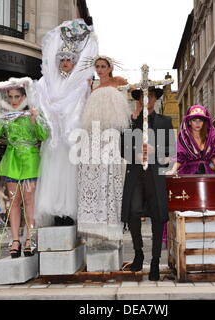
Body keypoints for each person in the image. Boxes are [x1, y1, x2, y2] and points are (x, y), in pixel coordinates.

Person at [34, 18, 98, 227]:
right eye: (62, 60)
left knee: (69, 176)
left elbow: (82, 108)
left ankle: (68, 213)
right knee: (53, 176)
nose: (65, 63)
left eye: (69, 60)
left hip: (71, 139)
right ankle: (54, 213)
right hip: (54, 140)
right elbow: (41, 102)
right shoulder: (47, 83)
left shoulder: (80, 85)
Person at [0, 77, 50, 258]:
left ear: (25, 96)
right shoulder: (6, 116)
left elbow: (44, 136)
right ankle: (15, 240)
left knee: (29, 202)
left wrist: (36, 119)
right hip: (12, 161)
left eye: (17, 97)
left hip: (30, 160)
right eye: (10, 97)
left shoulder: (33, 113)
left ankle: (30, 238)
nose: (14, 101)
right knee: (13, 203)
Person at [76, 55, 130, 257]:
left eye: (103, 66)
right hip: (93, 138)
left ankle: (112, 226)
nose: (99, 70)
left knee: (110, 177)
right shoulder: (92, 89)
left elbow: (124, 114)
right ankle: (96, 227)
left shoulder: (119, 83)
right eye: (97, 66)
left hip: (111, 137)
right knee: (96, 179)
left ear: (110, 68)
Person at [121, 86, 174, 281]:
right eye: (143, 96)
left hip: (155, 174)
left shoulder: (165, 121)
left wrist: (155, 150)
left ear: (155, 99)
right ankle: (138, 253)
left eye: (150, 96)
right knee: (133, 212)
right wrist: (134, 153)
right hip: (135, 173)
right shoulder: (131, 121)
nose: (146, 99)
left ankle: (155, 261)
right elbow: (122, 148)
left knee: (158, 215)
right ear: (138, 100)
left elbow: (171, 149)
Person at [166, 105, 215, 175]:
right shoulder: (184, 137)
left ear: (204, 122)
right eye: (194, 120)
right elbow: (180, 156)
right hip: (188, 174)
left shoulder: (211, 136)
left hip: (208, 173)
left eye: (200, 120)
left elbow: (214, 155)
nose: (197, 123)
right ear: (189, 122)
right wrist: (173, 170)